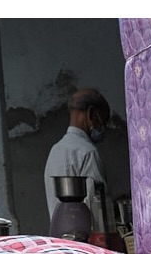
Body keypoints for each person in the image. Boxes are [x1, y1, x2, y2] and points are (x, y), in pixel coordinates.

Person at [44, 88, 112, 233]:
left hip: (58, 239)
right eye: (102, 121)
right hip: (84, 243)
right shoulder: (88, 152)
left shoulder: (55, 150)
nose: (102, 128)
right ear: (91, 114)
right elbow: (96, 208)